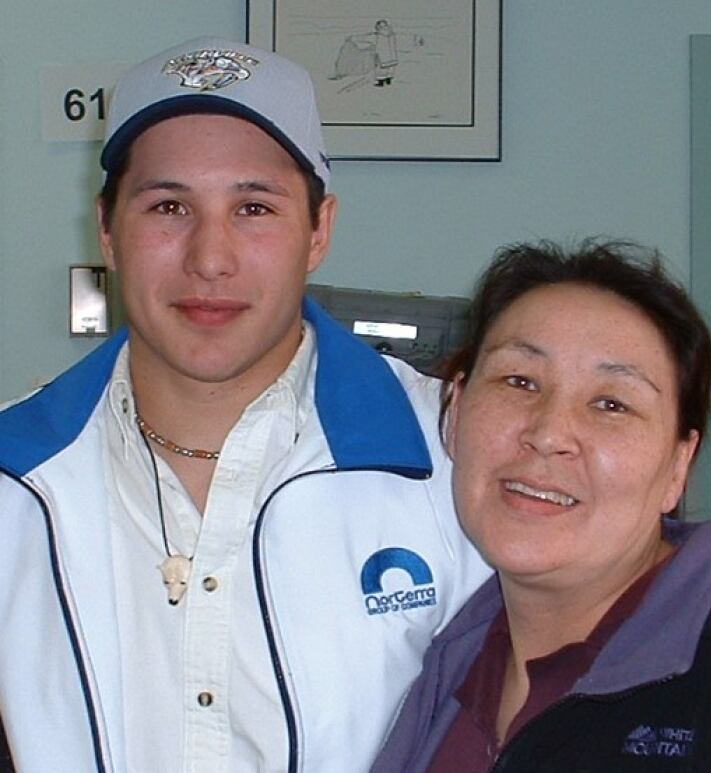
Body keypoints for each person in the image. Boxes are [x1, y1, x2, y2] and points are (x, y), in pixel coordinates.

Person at [0, 37, 490, 772]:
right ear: (107, 230)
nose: (210, 257)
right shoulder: (14, 475)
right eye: (168, 206)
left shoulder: (453, 456)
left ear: (319, 228)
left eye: (254, 207)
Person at [371, 240, 711, 772]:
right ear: (454, 413)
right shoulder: (452, 664)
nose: (548, 434)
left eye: (612, 404)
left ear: (679, 465)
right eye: (519, 381)